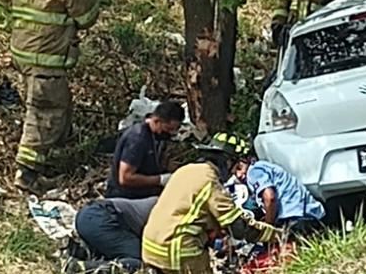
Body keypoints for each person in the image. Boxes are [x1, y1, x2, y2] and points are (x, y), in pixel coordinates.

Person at [0, 0, 101, 195]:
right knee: (45, 115)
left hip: (22, 56)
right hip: (48, 62)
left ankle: (52, 157)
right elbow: (87, 18)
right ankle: (27, 173)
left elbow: (4, 0)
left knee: (53, 106)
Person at [141, 132, 281, 274]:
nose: (233, 173)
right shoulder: (209, 181)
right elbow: (238, 227)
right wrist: (275, 235)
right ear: (227, 161)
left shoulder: (184, 171)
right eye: (234, 166)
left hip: (150, 246)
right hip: (177, 250)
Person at [105, 101, 185, 200]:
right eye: (168, 129)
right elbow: (125, 177)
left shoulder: (157, 137)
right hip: (125, 198)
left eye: (174, 129)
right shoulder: (137, 139)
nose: (171, 133)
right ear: (156, 121)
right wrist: (160, 180)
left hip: (145, 193)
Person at [64, 196, 159, 274]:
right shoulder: (165, 212)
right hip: (102, 216)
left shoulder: (162, 203)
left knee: (124, 248)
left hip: (88, 215)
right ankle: (85, 267)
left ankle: (83, 251)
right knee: (141, 262)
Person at [234, 157, 325, 233]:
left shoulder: (253, 172)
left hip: (297, 218)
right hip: (309, 214)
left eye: (239, 168)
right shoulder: (263, 166)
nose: (238, 175)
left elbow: (270, 198)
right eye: (234, 173)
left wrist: (268, 227)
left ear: (245, 160)